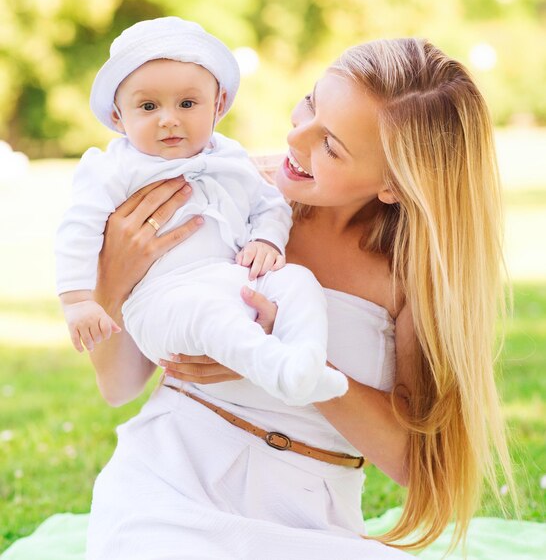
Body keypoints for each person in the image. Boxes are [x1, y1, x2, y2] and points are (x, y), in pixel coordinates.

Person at [85, 37, 512, 559]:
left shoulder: (413, 274)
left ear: (394, 185)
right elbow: (117, 385)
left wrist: (288, 362)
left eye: (331, 146)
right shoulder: (223, 193)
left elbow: (413, 462)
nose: (294, 137)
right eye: (311, 102)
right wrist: (111, 282)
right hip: (166, 484)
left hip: (313, 518)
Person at [55, 17, 347, 406]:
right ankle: (279, 369)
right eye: (147, 106)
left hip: (234, 280)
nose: (169, 118)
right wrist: (77, 301)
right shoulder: (112, 168)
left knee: (297, 281)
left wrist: (265, 239)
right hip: (162, 300)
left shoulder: (230, 157)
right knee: (208, 313)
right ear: (117, 118)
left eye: (188, 103)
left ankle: (307, 359)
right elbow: (78, 228)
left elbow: (269, 203)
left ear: (218, 105)